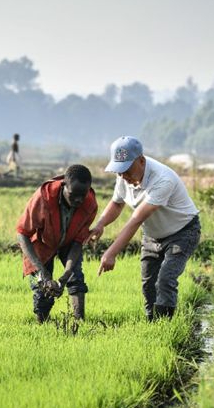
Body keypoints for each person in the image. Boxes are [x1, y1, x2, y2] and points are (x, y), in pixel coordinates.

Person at [91, 136, 200, 321]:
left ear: (141, 160)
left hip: (182, 233)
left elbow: (136, 219)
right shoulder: (124, 177)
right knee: (148, 283)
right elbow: (117, 204)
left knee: (165, 279)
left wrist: (111, 253)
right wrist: (100, 224)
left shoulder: (162, 179)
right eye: (118, 170)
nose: (122, 175)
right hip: (152, 236)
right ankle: (152, 323)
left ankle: (165, 326)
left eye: (126, 169)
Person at [16, 164, 97, 323]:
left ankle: (79, 323)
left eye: (83, 194)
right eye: (74, 195)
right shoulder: (44, 197)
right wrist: (42, 270)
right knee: (43, 288)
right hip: (42, 242)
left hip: (69, 242)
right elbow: (22, 233)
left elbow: (77, 242)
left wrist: (67, 273)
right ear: (64, 186)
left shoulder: (90, 204)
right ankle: (42, 324)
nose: (79, 200)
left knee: (76, 278)